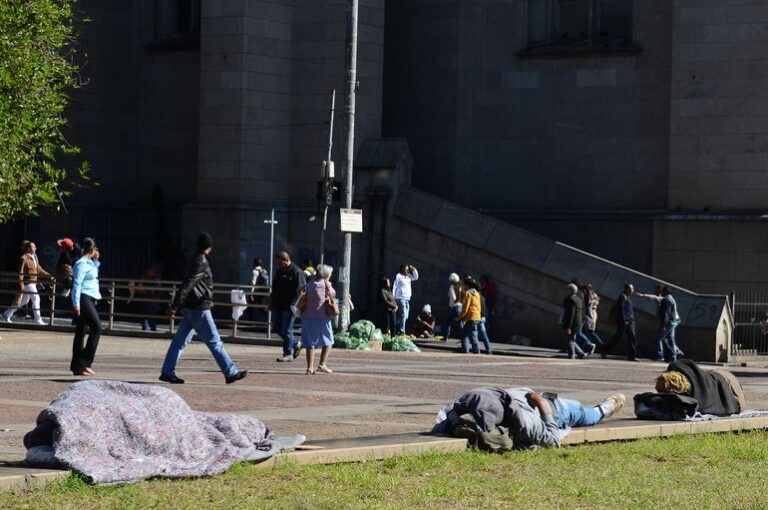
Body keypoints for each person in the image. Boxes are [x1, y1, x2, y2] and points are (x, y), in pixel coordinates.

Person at [159, 232, 247, 385]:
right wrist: (175, 304)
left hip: (192, 307)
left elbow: (195, 284)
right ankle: (230, 372)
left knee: (179, 341)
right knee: (214, 341)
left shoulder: (195, 258)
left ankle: (167, 371)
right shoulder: (201, 261)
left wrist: (180, 303)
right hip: (199, 308)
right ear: (210, 247)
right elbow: (190, 283)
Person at [434, 386, 626, 451]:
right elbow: (552, 439)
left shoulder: (476, 400)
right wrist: (540, 402)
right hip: (555, 411)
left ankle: (606, 407)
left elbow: (447, 414)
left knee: (587, 414)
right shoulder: (524, 422)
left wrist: (539, 400)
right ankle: (605, 408)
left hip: (551, 404)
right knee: (587, 415)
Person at [635, 360, 746, 420]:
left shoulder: (693, 398)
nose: (659, 394)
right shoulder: (688, 378)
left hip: (729, 385)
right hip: (715, 378)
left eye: (661, 392)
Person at [70, 238, 102, 376]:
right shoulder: (81, 264)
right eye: (96, 249)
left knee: (81, 331)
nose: (97, 252)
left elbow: (94, 272)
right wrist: (76, 303)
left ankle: (77, 366)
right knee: (97, 327)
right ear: (91, 249)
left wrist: (96, 260)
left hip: (91, 297)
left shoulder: (90, 263)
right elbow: (76, 284)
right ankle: (84, 361)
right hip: (83, 298)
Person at [3, 240, 50, 325]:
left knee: (23, 301)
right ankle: (38, 319)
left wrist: (48, 275)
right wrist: (21, 284)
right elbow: (20, 272)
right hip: (28, 283)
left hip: (33, 283)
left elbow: (38, 269)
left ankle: (7, 313)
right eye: (33, 247)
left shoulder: (34, 257)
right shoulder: (24, 258)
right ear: (29, 248)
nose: (35, 248)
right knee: (36, 298)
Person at [300, 264, 336, 374]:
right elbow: (333, 295)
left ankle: (309, 368)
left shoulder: (309, 284)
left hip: (307, 317)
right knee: (328, 341)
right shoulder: (327, 286)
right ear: (326, 275)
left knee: (310, 343)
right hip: (322, 317)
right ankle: (322, 364)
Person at [271, 251, 306, 362]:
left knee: (287, 330)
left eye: (280, 263)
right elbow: (275, 287)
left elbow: (302, 291)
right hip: (278, 304)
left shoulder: (297, 272)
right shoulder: (280, 270)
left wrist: (296, 305)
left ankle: (288, 354)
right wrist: (271, 302)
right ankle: (297, 343)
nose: (279, 266)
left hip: (290, 306)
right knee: (276, 328)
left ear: (286, 260)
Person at [636, 286, 682, 362]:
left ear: (665, 292)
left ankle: (660, 355)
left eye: (662, 291)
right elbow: (655, 297)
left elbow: (666, 314)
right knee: (670, 339)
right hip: (674, 321)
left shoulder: (666, 299)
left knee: (659, 338)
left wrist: (664, 325)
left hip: (670, 321)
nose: (661, 293)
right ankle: (676, 354)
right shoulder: (670, 298)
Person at [601, 284, 638, 361]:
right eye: (631, 289)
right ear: (626, 289)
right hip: (624, 322)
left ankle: (632, 356)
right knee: (617, 338)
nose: (633, 290)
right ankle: (604, 350)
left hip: (630, 321)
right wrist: (623, 320)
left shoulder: (629, 297)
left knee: (632, 337)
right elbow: (620, 309)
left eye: (633, 289)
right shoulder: (622, 296)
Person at [128, 265, 161, 331]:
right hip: (144, 300)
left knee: (150, 316)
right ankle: (145, 329)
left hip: (153, 300)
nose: (148, 272)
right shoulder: (145, 277)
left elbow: (150, 292)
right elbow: (140, 285)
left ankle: (153, 330)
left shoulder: (156, 280)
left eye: (150, 271)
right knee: (143, 316)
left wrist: (137, 289)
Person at [562, 283, 588, 359]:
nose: (565, 291)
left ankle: (572, 355)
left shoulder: (570, 299)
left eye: (567, 289)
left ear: (570, 291)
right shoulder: (578, 299)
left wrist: (568, 327)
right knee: (572, 340)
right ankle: (581, 353)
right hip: (578, 323)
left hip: (572, 324)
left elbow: (571, 314)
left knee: (570, 340)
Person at [393, 264, 419, 334]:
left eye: (408, 269)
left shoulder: (408, 277)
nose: (407, 270)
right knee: (403, 314)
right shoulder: (398, 276)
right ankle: (402, 331)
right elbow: (394, 286)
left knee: (405, 316)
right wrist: (393, 298)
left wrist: (413, 268)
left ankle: (393, 322)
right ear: (402, 269)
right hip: (400, 298)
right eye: (406, 269)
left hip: (407, 298)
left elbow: (416, 277)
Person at [577, 284, 603, 353]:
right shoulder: (595, 296)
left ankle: (597, 345)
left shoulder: (588, 297)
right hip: (593, 315)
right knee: (588, 332)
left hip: (588, 316)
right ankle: (588, 346)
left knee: (586, 332)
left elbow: (586, 306)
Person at [458, 276, 481, 354]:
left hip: (471, 317)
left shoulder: (468, 293)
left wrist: (460, 317)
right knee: (465, 334)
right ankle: (465, 350)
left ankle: (476, 351)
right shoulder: (477, 293)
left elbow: (465, 307)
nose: (463, 286)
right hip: (477, 316)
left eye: (464, 285)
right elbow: (479, 306)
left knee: (473, 336)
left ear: (467, 285)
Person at [443, 273, 463, 340]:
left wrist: (451, 304)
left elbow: (453, 298)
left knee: (447, 323)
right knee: (460, 323)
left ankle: (446, 337)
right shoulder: (461, 286)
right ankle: (464, 338)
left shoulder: (452, 287)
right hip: (461, 307)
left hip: (455, 307)